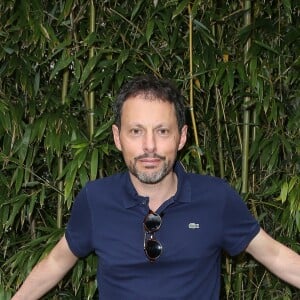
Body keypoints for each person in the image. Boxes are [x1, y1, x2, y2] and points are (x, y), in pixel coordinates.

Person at [12, 75, 300, 299]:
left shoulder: (216, 198)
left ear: (181, 137)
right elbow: (56, 262)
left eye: (162, 131)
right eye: (136, 131)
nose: (149, 146)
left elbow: (273, 255)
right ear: (117, 137)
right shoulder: (96, 199)